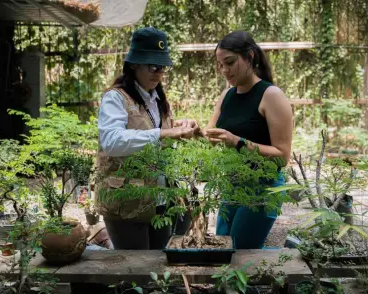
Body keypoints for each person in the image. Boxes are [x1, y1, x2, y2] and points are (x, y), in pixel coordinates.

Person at [96, 27, 199, 250]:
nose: (158, 72)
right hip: (126, 202)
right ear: (134, 64)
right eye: (153, 66)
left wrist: (180, 125)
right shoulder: (115, 98)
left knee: (159, 265)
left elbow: (154, 130)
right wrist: (163, 133)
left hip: (160, 199)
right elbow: (112, 141)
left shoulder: (157, 99)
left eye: (162, 67)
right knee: (133, 271)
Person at [203, 31, 293, 249]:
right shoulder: (227, 95)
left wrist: (238, 142)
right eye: (220, 64)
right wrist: (192, 130)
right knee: (223, 250)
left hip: (263, 188)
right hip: (230, 184)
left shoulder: (271, 95)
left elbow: (282, 157)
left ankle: (290, 262)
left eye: (230, 62)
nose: (224, 70)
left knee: (240, 253)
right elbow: (211, 135)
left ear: (250, 56)